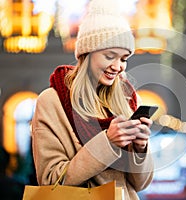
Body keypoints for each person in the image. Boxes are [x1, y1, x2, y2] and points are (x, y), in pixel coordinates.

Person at [31, 0, 154, 199]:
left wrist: (140, 149)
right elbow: (50, 181)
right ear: (86, 54)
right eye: (109, 56)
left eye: (123, 59)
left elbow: (140, 185)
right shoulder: (52, 102)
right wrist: (108, 143)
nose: (117, 66)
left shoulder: (128, 101)